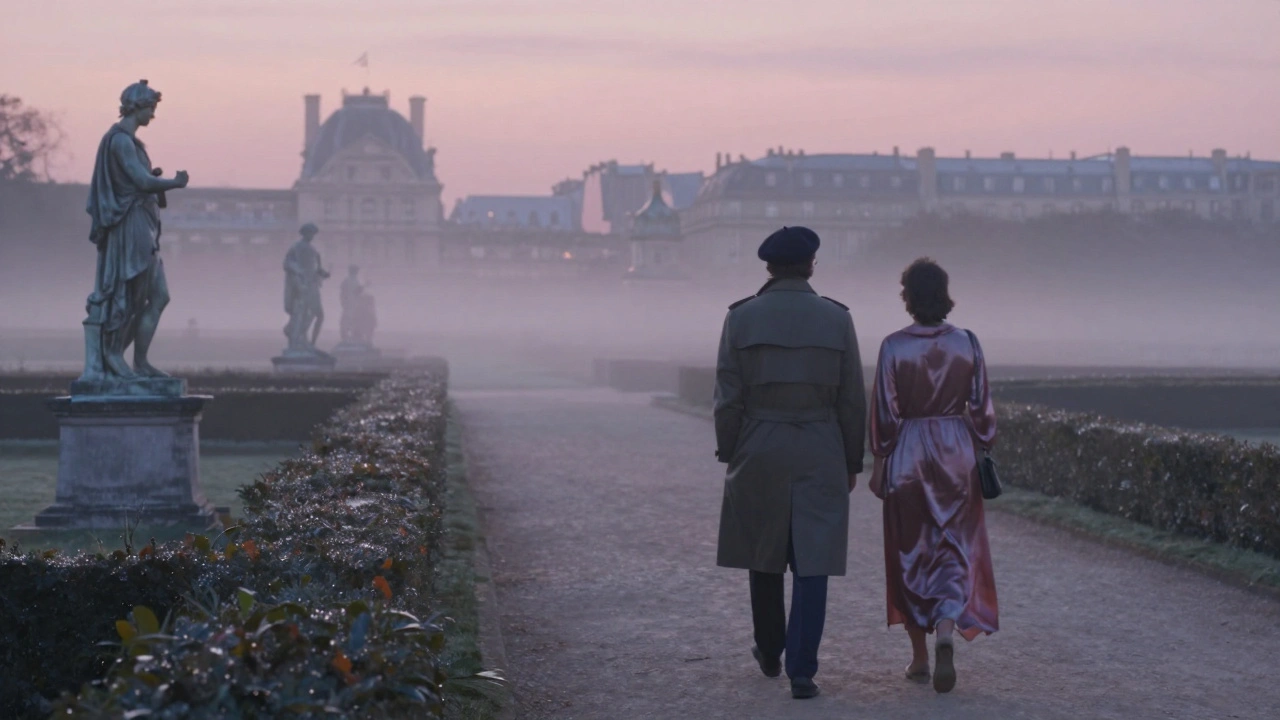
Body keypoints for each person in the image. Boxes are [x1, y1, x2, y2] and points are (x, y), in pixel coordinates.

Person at [713, 226, 866, 700]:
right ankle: (803, 668)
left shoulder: (740, 318)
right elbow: (852, 400)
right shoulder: (837, 319)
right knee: (813, 558)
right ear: (811, 265)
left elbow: (727, 398)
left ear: (768, 267)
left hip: (759, 441)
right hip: (820, 442)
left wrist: (730, 449)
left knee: (763, 549)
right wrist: (851, 459)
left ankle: (769, 647)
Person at [868, 257, 998, 694]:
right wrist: (981, 444)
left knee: (911, 552)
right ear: (944, 293)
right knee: (954, 548)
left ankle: (920, 658)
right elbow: (981, 408)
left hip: (909, 450)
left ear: (907, 297)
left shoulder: (892, 346)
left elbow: (885, 415)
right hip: (956, 450)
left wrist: (881, 460)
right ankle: (946, 631)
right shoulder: (968, 342)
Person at [82, 79, 190, 381]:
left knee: (159, 297)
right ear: (138, 107)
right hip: (129, 227)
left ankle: (140, 362)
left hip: (143, 225)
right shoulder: (120, 141)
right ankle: (114, 356)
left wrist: (157, 185)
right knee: (128, 296)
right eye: (152, 108)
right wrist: (174, 182)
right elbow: (141, 183)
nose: (153, 115)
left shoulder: (132, 143)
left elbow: (141, 181)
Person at [282, 223, 330, 351]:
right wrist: (298, 276)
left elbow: (317, 268)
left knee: (319, 315)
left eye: (313, 234)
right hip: (302, 285)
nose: (312, 236)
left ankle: (310, 343)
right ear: (304, 234)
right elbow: (287, 264)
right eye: (310, 233)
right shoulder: (296, 248)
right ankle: (297, 338)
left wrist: (324, 273)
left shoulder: (314, 250)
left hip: (313, 286)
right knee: (301, 313)